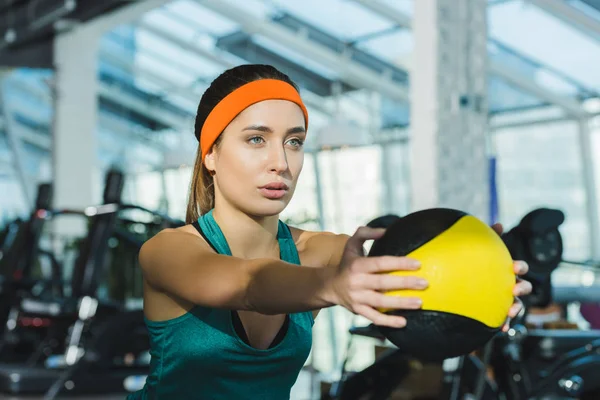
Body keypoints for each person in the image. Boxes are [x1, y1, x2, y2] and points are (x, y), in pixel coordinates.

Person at [127, 64, 532, 400]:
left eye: (294, 142)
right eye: (256, 139)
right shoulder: (167, 251)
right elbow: (248, 283)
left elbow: (405, 267)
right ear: (210, 153)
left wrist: (487, 280)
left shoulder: (316, 250)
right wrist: (333, 287)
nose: (280, 163)